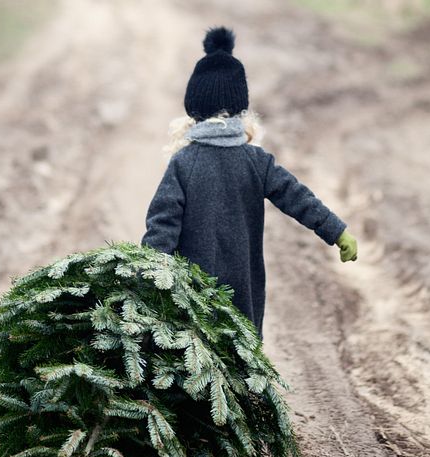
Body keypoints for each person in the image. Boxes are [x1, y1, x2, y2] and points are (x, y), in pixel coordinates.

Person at [141, 26, 358, 339]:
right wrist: (337, 231)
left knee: (195, 363)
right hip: (245, 292)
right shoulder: (257, 162)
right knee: (243, 361)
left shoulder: (184, 163)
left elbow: (162, 225)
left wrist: (149, 272)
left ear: (194, 109)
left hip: (190, 293)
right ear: (240, 109)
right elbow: (298, 198)